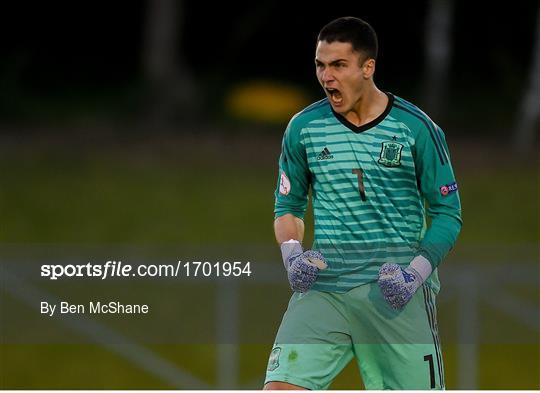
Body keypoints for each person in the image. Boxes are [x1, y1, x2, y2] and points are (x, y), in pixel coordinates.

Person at [264, 16, 462, 390]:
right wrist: (292, 254)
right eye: (321, 65)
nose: (327, 77)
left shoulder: (416, 128)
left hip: (395, 295)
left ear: (367, 67)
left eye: (339, 65)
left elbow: (448, 215)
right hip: (327, 287)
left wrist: (413, 276)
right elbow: (287, 208)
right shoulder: (303, 127)